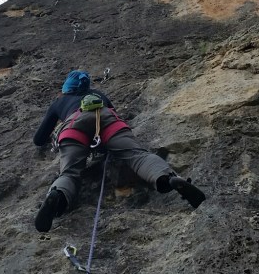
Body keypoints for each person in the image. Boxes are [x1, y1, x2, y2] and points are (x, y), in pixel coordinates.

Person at [33, 69, 205, 232]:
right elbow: (112, 113)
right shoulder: (98, 95)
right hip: (108, 119)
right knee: (138, 156)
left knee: (69, 173)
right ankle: (168, 178)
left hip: (73, 126)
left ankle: (57, 195)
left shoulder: (60, 101)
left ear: (66, 88)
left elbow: (38, 139)